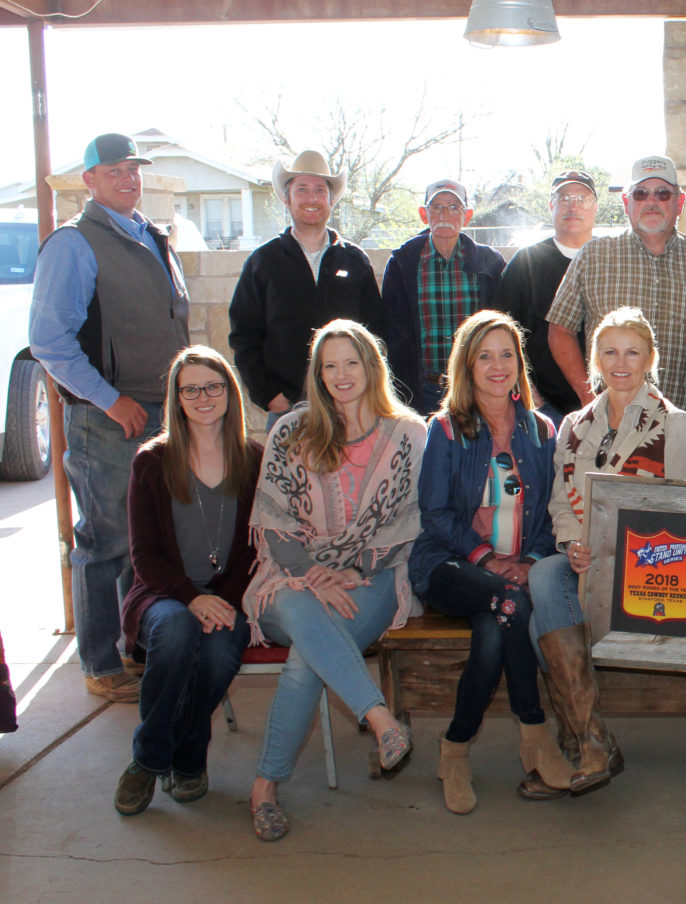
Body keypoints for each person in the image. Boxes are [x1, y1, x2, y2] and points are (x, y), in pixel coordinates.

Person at [245, 320, 426, 842]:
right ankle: (381, 722)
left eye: (351, 362)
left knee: (309, 652)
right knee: (305, 613)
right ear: (318, 375)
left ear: (372, 367)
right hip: (289, 579)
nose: (341, 375)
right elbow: (274, 521)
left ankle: (264, 788)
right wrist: (309, 574)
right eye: (330, 366)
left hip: (375, 576)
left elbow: (412, 519)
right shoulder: (291, 431)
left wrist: (353, 570)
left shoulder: (409, 435)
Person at [29, 132, 190, 701]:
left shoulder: (150, 235)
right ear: (89, 180)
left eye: (134, 168)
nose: (128, 177)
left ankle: (133, 647)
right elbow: (48, 341)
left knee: (145, 540)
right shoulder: (73, 244)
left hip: (158, 416)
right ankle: (100, 663)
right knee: (105, 542)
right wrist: (107, 399)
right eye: (114, 169)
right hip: (110, 420)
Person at [529, 307, 686, 793]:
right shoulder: (573, 425)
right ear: (595, 360)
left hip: (649, 570)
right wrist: (573, 543)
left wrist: (624, 551)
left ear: (650, 358)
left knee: (535, 617)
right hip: (583, 562)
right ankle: (592, 741)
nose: (620, 362)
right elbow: (560, 503)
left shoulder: (676, 423)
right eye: (609, 352)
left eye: (631, 352)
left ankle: (579, 742)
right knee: (545, 574)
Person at [411, 310, 573, 815]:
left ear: (518, 364)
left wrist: (530, 561)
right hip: (450, 566)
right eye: (485, 355)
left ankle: (455, 748)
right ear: (468, 365)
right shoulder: (444, 429)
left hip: (512, 576)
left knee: (496, 626)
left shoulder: (541, 430)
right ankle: (536, 733)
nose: (497, 365)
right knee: (507, 603)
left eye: (507, 354)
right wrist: (487, 558)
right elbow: (434, 514)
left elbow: (553, 511)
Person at [114, 346, 264, 815]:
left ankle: (180, 753)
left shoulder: (254, 460)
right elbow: (144, 556)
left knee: (220, 650)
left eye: (213, 386)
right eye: (190, 389)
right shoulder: (151, 462)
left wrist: (223, 600)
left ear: (229, 393)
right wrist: (190, 598)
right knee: (177, 629)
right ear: (176, 399)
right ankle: (157, 757)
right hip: (162, 593)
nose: (203, 397)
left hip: (229, 596)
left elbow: (259, 548)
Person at [546, 155, 686, 413]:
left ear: (680, 202)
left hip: (685, 422)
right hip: (609, 423)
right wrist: (589, 399)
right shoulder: (593, 256)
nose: (651, 202)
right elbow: (560, 329)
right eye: (641, 193)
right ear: (626, 201)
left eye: (663, 193)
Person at [228, 149, 385, 421]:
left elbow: (376, 332)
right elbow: (244, 335)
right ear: (287, 199)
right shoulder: (263, 262)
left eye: (319, 190)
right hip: (288, 409)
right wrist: (267, 394)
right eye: (302, 190)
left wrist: (368, 392)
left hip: (350, 406)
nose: (311, 198)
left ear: (331, 199)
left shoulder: (355, 260)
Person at [382, 178, 507, 414]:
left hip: (476, 387)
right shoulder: (403, 262)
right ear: (423, 214)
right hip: (421, 390)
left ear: (466, 216)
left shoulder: (489, 262)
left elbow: (503, 326)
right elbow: (389, 329)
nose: (444, 214)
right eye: (436, 207)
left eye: (453, 207)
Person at [495, 169, 599, 415]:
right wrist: (530, 392)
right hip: (544, 406)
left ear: (595, 208)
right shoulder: (526, 262)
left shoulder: (609, 259)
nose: (572, 207)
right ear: (551, 206)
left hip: (607, 402)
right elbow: (500, 330)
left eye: (582, 199)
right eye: (564, 199)